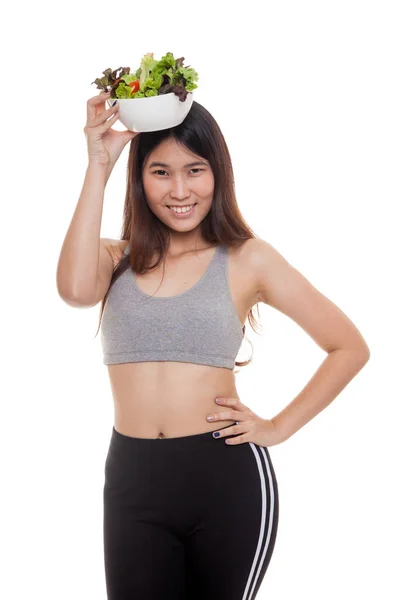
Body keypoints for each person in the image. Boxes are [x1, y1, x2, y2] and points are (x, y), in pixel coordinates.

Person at [56, 90, 370, 599]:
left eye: (195, 169)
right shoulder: (115, 258)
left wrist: (277, 427)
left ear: (218, 173)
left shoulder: (248, 259)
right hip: (133, 482)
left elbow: (348, 346)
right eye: (160, 171)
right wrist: (99, 163)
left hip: (223, 479)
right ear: (139, 178)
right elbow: (73, 291)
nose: (180, 189)